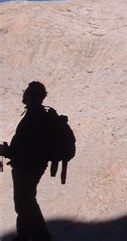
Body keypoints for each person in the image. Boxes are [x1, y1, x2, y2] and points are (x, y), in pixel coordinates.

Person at [0, 82, 52, 241]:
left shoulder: (34, 116)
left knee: (25, 202)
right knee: (24, 201)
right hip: (31, 165)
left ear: (31, 96)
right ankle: (24, 235)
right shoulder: (36, 114)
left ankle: (41, 238)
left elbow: (26, 148)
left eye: (27, 91)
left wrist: (6, 151)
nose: (24, 93)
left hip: (28, 166)